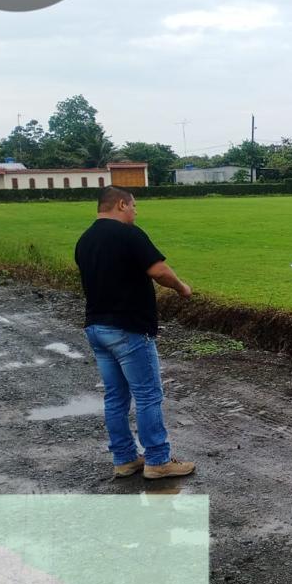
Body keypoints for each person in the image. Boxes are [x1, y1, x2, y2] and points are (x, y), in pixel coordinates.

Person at [74, 186, 195, 479]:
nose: (135, 212)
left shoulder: (85, 240)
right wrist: (181, 287)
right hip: (128, 328)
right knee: (148, 395)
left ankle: (125, 458)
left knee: (115, 397)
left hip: (97, 328)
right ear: (121, 204)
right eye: (134, 206)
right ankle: (158, 460)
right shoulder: (129, 235)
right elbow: (159, 271)